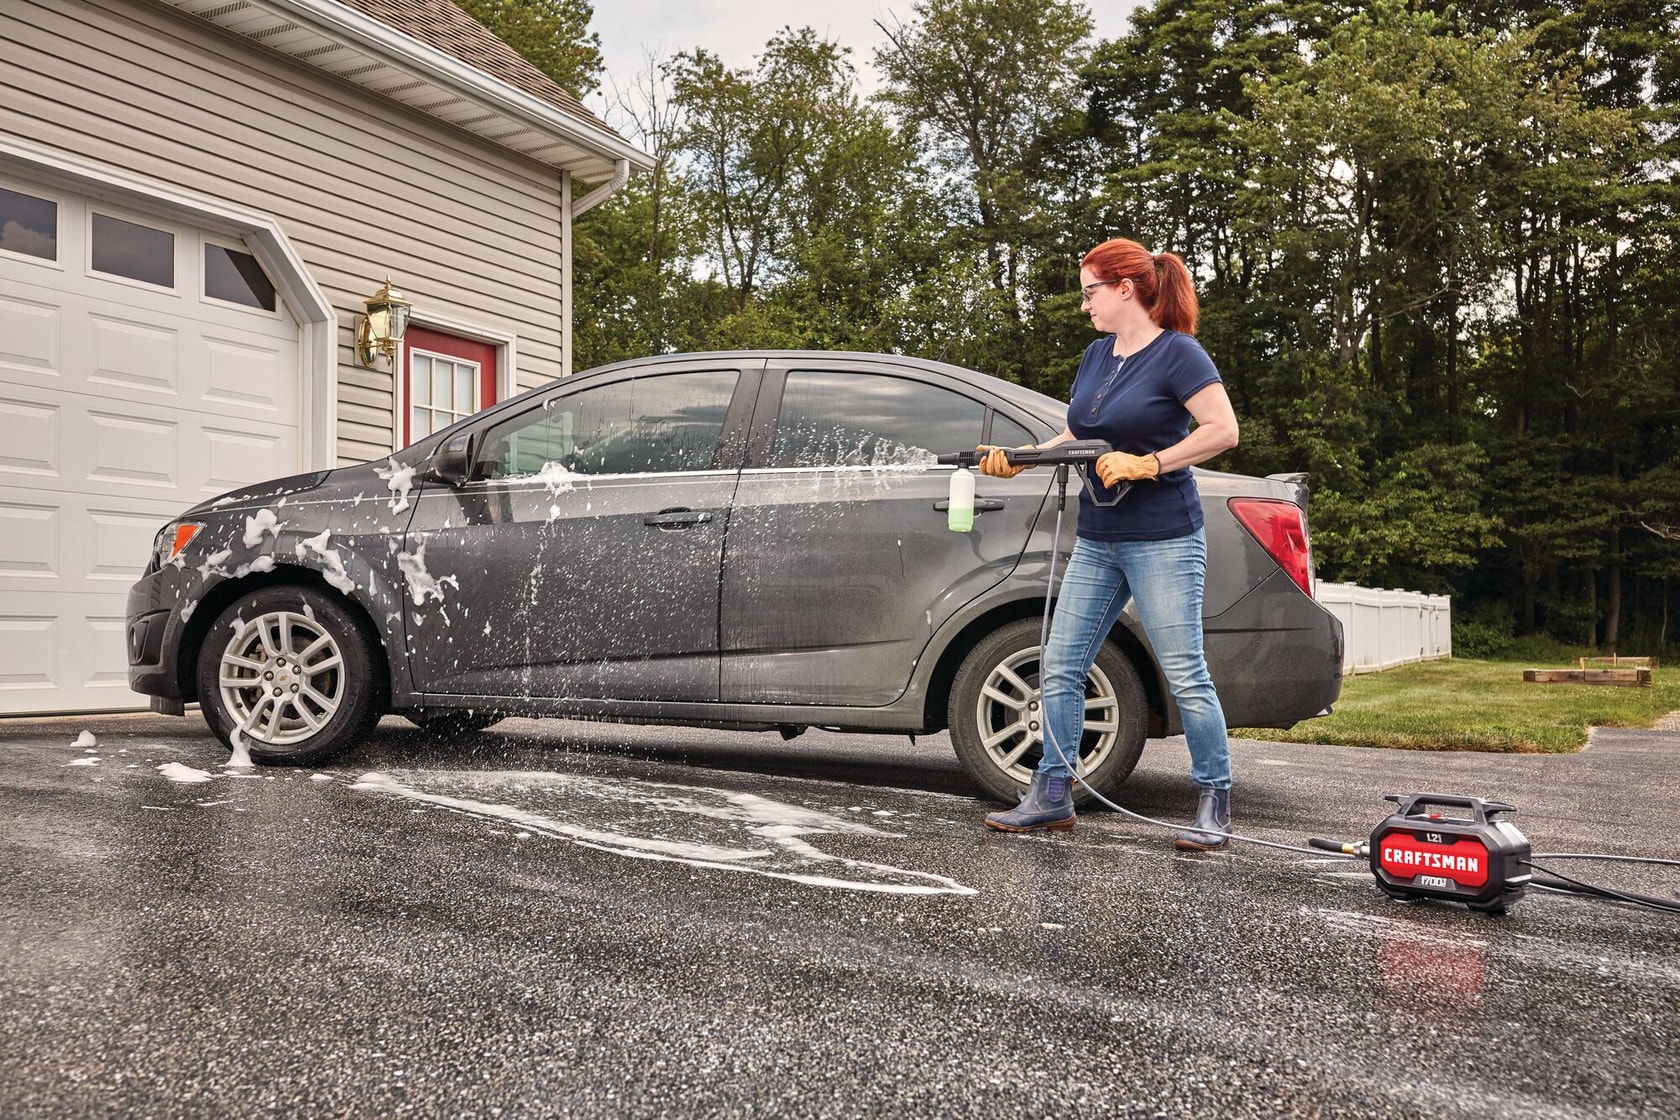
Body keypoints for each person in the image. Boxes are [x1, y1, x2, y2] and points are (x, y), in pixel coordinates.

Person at [978, 237, 1240, 850]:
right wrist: (1020, 459)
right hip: (1100, 536)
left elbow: (1222, 431)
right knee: (1062, 663)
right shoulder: (1097, 355)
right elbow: (1078, 432)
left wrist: (1150, 464)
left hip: (1164, 538)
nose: (1085, 304)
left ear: (1125, 288)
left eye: (1090, 290)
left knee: (1183, 672)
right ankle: (1051, 794)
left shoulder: (1180, 355)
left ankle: (1214, 801)